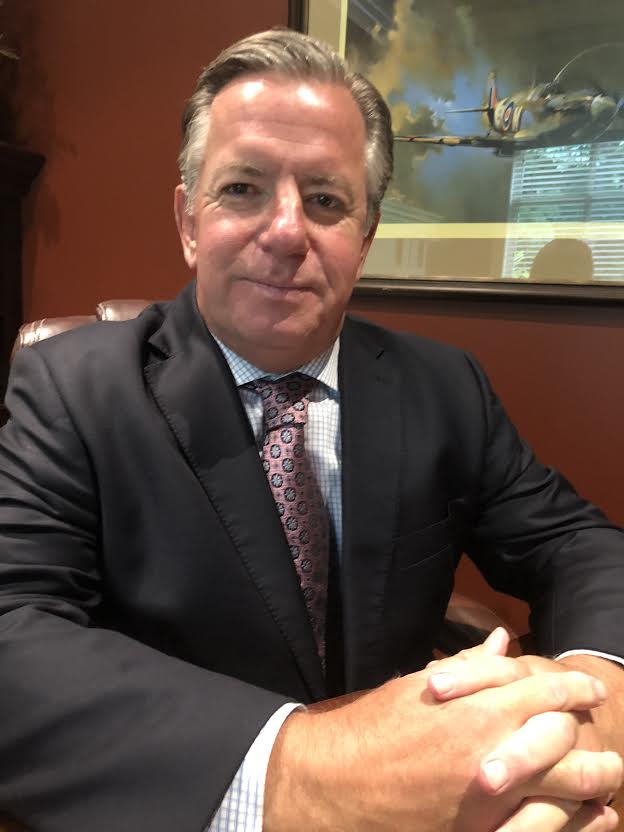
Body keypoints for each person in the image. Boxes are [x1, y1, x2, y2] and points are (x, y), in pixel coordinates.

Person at [0, 27, 623, 832]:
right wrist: (303, 772)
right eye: (243, 189)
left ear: (364, 237)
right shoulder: (71, 387)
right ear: (189, 221)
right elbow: (14, 630)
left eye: (326, 200)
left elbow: (578, 544)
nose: (288, 230)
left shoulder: (444, 388)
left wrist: (595, 695)